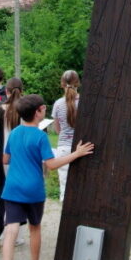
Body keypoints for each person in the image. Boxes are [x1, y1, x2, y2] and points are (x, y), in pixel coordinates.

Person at [0, 94, 93, 260]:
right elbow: (51, 164)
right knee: (34, 228)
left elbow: (5, 159)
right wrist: (76, 154)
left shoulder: (14, 133)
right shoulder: (40, 136)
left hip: (13, 187)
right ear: (38, 111)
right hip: (33, 189)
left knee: (11, 230)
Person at [0, 77, 23, 251]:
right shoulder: (24, 110)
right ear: (21, 91)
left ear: (6, 91)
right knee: (16, 195)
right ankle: (13, 234)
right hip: (17, 157)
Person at [51, 70, 80, 202]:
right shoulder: (84, 102)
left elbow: (57, 129)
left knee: (64, 188)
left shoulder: (58, 104)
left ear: (62, 84)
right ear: (78, 83)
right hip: (81, 147)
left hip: (63, 147)